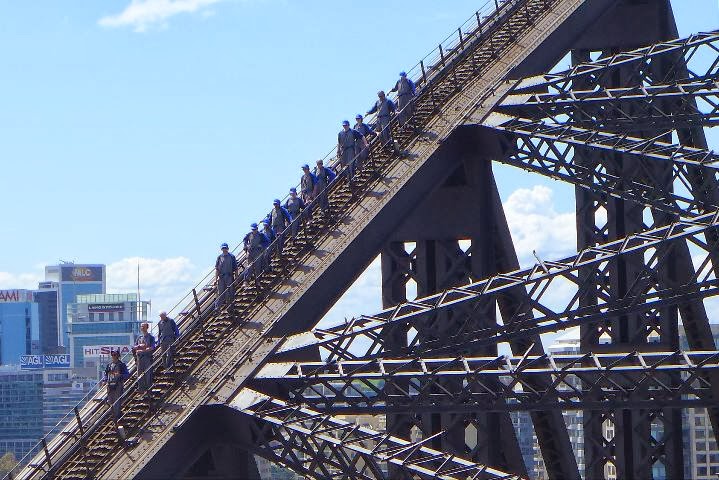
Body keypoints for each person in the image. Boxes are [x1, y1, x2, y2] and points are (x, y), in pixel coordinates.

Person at [337, 120, 367, 184]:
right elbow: (339, 143)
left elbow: (362, 136)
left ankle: (352, 178)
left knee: (351, 164)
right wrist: (338, 151)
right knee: (344, 166)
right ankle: (348, 179)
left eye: (346, 125)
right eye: (344, 125)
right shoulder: (340, 133)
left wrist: (366, 144)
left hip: (351, 149)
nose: (345, 126)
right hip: (343, 151)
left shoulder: (353, 131)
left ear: (348, 125)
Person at [102, 350, 129, 420]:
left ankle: (116, 416)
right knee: (110, 400)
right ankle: (112, 414)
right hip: (110, 384)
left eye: (115, 355)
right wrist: (104, 381)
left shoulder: (121, 365)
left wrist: (120, 375)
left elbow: (126, 374)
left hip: (118, 384)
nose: (113, 356)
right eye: (112, 355)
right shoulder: (109, 365)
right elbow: (106, 374)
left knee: (117, 400)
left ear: (118, 356)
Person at [132, 322, 156, 394]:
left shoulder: (151, 337)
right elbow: (134, 347)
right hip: (140, 358)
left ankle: (148, 388)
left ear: (147, 327)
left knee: (148, 373)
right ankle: (141, 389)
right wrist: (139, 347)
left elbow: (152, 347)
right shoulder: (139, 337)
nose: (142, 328)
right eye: (141, 326)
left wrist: (143, 349)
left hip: (147, 357)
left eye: (143, 326)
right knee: (139, 373)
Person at [215, 242, 238, 307]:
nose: (224, 249)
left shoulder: (232, 256)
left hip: (229, 276)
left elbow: (235, 268)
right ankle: (217, 308)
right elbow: (217, 269)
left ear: (228, 248)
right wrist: (216, 279)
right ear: (221, 249)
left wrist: (236, 279)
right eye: (223, 248)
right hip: (221, 277)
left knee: (230, 293)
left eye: (225, 248)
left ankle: (230, 308)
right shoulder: (219, 257)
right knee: (221, 294)